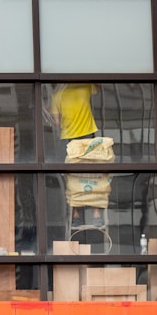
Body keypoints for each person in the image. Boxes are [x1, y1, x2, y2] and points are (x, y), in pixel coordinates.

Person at [51, 83, 103, 223]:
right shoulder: (85, 86)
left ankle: (75, 214)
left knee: (70, 175)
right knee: (92, 172)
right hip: (87, 134)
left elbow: (56, 122)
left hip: (68, 137)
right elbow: (99, 88)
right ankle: (96, 213)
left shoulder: (56, 95)